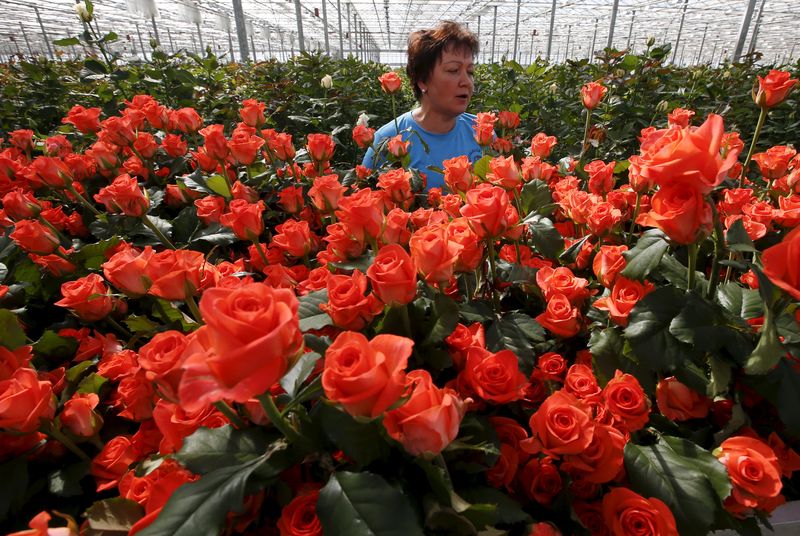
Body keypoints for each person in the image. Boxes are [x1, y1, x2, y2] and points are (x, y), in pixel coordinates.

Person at [362, 21, 483, 191]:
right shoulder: (389, 139)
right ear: (422, 80)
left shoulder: (482, 132)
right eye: (453, 70)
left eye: (470, 72)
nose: (466, 82)